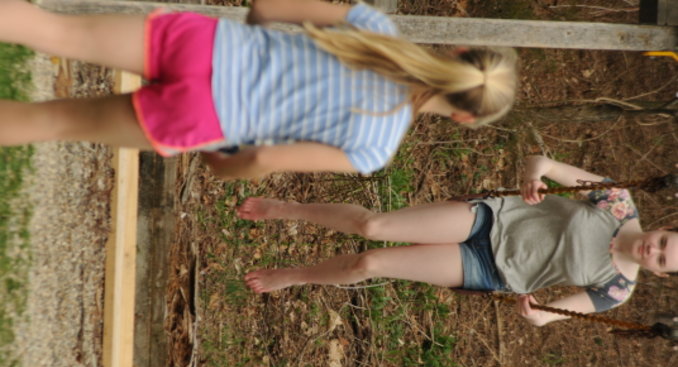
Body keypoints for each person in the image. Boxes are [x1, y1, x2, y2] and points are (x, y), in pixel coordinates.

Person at [0, 0, 517, 179]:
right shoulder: (373, 149)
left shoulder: (376, 28)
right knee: (55, 123)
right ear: (463, 117)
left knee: (57, 31)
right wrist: (223, 166)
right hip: (206, 116)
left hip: (205, 46)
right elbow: (265, 158)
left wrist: (253, 46)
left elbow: (267, 9)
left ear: (458, 53)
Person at [237, 155, 678, 326]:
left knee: (368, 264)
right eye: (663, 242)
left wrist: (537, 313)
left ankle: (295, 275)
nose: (653, 250)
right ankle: (286, 208)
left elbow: (551, 316)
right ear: (664, 228)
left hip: (491, 270)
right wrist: (534, 177)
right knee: (374, 227)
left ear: (660, 273)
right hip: (492, 220)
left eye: (662, 259)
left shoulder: (617, 289)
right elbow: (542, 162)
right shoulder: (617, 202)